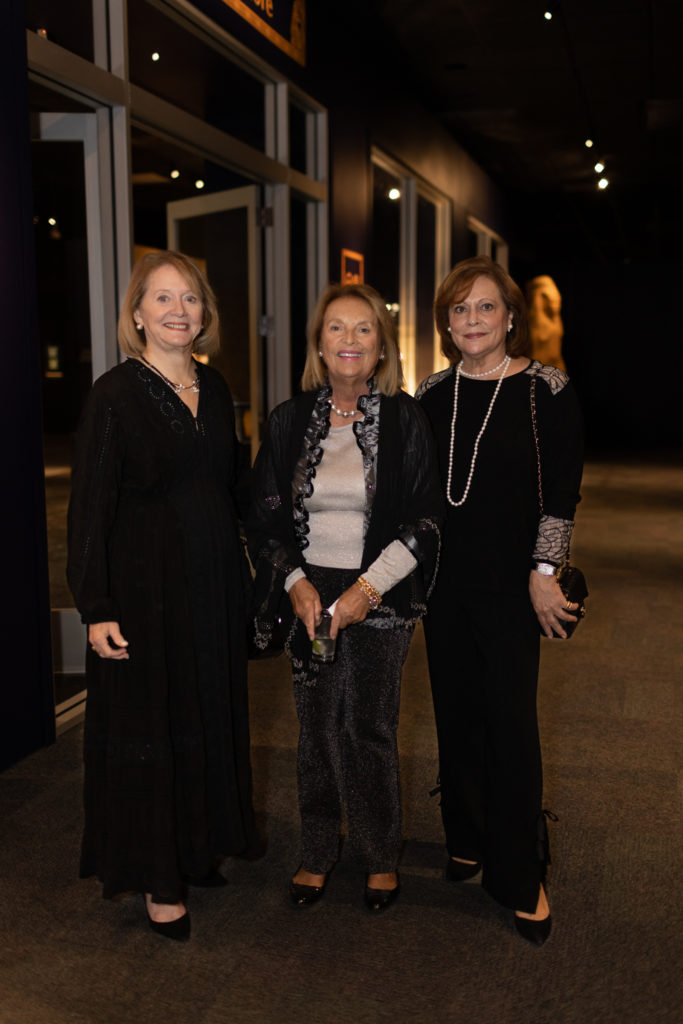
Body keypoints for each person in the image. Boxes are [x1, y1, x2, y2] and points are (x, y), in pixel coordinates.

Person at [67, 251, 258, 941]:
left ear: (204, 314)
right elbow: (89, 508)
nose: (179, 310)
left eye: (190, 298)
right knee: (152, 723)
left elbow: (233, 488)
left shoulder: (218, 386)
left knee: (204, 713)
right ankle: (158, 877)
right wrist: (96, 607)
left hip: (212, 586)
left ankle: (195, 848)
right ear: (138, 313)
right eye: (163, 298)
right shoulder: (114, 394)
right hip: (144, 594)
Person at [247, 283, 443, 912]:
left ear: (381, 346)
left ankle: (379, 855)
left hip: (381, 589)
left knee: (369, 728)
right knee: (316, 729)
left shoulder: (407, 420)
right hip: (308, 594)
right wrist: (296, 583)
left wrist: (366, 589)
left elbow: (426, 520)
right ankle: (316, 850)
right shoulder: (287, 420)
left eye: (364, 328)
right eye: (336, 327)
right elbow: (264, 520)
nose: (350, 340)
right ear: (319, 344)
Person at [416, 255, 583, 945]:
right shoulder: (431, 393)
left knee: (510, 723)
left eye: (485, 306)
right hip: (443, 586)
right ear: (445, 323)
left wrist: (545, 570)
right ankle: (467, 834)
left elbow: (562, 492)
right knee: (455, 714)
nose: (472, 319)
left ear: (510, 317)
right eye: (459, 309)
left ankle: (519, 871)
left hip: (514, 586)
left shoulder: (546, 389)